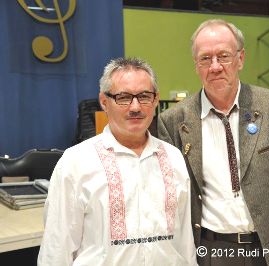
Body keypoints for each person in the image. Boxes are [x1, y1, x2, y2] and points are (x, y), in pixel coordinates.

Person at [157, 19, 269, 266]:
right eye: (205, 59)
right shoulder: (174, 121)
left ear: (240, 59)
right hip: (211, 251)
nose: (215, 66)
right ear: (196, 65)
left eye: (223, 56)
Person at [38, 57, 197, 266]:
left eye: (144, 96)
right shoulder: (76, 162)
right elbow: (56, 247)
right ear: (104, 101)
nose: (135, 107)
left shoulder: (173, 157)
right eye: (123, 97)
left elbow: (185, 239)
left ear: (156, 100)